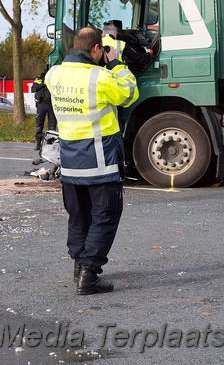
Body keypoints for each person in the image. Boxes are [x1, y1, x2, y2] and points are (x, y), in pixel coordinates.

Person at [46, 26, 139, 295]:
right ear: (96, 49)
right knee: (106, 215)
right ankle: (89, 273)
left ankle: (79, 265)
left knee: (79, 215)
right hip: (100, 161)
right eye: (101, 49)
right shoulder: (100, 77)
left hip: (70, 163)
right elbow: (129, 93)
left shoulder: (55, 75)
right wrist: (117, 63)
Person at [31, 68, 57, 150]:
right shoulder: (39, 79)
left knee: (52, 126)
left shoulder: (54, 80)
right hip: (41, 104)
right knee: (39, 125)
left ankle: (51, 144)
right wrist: (44, 83)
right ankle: (38, 143)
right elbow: (33, 89)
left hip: (51, 105)